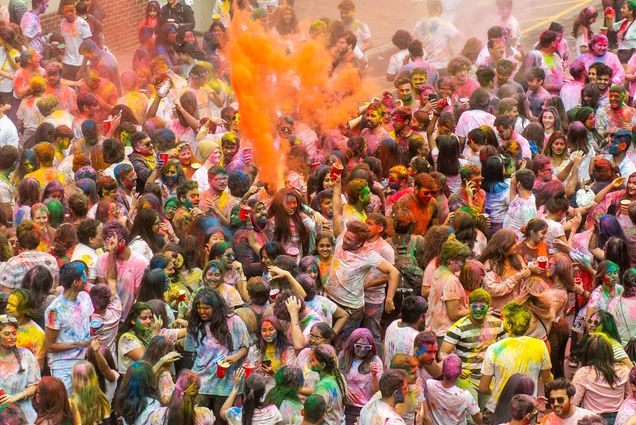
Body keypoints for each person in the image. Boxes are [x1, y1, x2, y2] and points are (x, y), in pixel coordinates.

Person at [326, 220, 399, 345]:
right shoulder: (343, 237)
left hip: (350, 309)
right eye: (345, 237)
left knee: (342, 345)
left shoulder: (368, 255)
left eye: (349, 240)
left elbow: (394, 272)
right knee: (327, 340)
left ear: (360, 242)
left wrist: (389, 299)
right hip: (330, 301)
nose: (345, 240)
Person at [185, 287, 250, 421]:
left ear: (216, 306)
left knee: (223, 421)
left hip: (226, 385)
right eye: (199, 307)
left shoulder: (233, 321)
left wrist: (234, 358)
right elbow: (189, 353)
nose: (202, 311)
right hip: (201, 384)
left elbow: (245, 346)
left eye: (206, 308)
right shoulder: (195, 325)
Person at [480, 302, 552, 415]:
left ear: (508, 325)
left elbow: (484, 387)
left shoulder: (494, 349)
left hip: (497, 409)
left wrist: (499, 393)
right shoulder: (540, 345)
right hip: (527, 410)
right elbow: (547, 378)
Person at [439, 289, 504, 405]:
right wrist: (456, 369)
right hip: (466, 379)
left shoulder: (498, 324)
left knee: (486, 416)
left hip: (489, 378)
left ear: (488, 307)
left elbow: (507, 346)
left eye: (482, 307)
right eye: (475, 307)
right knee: (471, 417)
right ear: (469, 306)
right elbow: (442, 354)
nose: (478, 310)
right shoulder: (459, 327)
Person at [44, 260, 93, 393]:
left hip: (84, 363)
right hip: (63, 367)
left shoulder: (85, 298)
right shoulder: (55, 310)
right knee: (67, 406)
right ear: (75, 283)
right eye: (83, 277)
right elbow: (49, 346)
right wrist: (80, 344)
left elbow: (88, 324)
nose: (86, 280)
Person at [572, 334, 631, 423]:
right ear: (610, 351)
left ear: (588, 352)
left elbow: (574, 402)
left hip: (593, 420)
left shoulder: (583, 373)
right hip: (618, 419)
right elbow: (630, 396)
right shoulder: (623, 370)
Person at [426, 235, 472, 342]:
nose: (464, 263)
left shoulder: (438, 272)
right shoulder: (452, 281)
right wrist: (474, 310)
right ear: (451, 261)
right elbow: (453, 314)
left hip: (433, 328)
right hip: (445, 334)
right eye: (462, 260)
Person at [0, 314, 40, 424]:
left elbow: (34, 385)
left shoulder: (26, 356)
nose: (12, 337)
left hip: (24, 416)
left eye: (14, 333)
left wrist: (15, 397)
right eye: (7, 334)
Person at [340, 328, 383, 425]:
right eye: (358, 346)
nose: (362, 350)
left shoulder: (375, 361)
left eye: (367, 347)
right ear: (352, 344)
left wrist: (374, 376)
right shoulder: (343, 357)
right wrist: (344, 388)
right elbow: (336, 378)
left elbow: (376, 392)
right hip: (344, 407)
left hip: (365, 407)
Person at [425, 354, 482, 424]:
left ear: (442, 370)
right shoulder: (465, 396)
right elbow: (477, 418)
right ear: (460, 373)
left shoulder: (429, 385)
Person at [384, 296, 427, 366]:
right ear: (422, 316)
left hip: (390, 372)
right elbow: (421, 360)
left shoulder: (392, 324)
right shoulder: (419, 339)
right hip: (407, 375)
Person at [311, 344, 347, 425]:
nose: (311, 362)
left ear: (323, 365)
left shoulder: (323, 387)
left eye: (313, 360)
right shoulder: (339, 377)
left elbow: (319, 415)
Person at [59, 0, 92, 80]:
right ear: (63, 12)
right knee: (70, 90)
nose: (70, 13)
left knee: (84, 89)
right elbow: (64, 41)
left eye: (72, 11)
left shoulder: (83, 24)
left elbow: (88, 47)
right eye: (67, 11)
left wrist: (82, 69)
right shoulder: (62, 23)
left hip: (81, 63)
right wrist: (61, 48)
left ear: (75, 10)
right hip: (68, 63)